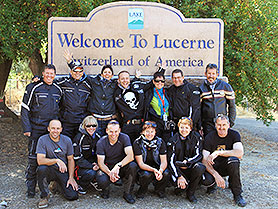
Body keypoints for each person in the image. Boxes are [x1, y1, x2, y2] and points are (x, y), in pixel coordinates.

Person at [21, 64, 62, 198]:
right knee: (33, 159)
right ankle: (30, 188)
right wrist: (27, 128)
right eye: (47, 73)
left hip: (52, 132)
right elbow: (25, 108)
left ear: (55, 75)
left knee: (52, 158)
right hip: (36, 129)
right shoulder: (34, 87)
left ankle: (49, 186)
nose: (49, 76)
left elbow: (61, 109)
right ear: (43, 74)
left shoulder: (58, 89)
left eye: (52, 74)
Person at [64, 50, 117, 137]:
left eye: (109, 72)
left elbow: (125, 83)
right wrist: (70, 62)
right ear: (102, 74)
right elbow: (80, 74)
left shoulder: (115, 85)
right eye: (105, 72)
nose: (107, 74)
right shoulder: (94, 82)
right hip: (96, 120)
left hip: (109, 120)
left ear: (112, 75)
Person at [202, 114, 247, 207]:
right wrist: (215, 175)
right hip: (213, 167)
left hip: (227, 166)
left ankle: (237, 195)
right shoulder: (209, 137)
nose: (221, 127)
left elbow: (239, 153)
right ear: (215, 125)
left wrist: (218, 153)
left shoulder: (234, 134)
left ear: (228, 125)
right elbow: (204, 160)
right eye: (219, 125)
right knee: (206, 180)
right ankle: (212, 184)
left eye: (224, 125)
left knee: (234, 161)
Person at [36, 120, 78, 208]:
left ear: (61, 129)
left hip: (62, 170)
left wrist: (71, 177)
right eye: (53, 128)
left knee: (72, 196)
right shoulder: (42, 140)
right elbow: (40, 160)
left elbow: (70, 159)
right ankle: (44, 196)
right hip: (49, 169)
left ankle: (57, 185)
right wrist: (56, 160)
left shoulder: (67, 140)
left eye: (58, 128)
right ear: (48, 129)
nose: (55, 131)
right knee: (41, 169)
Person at [168, 117, 211, 203]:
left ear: (190, 129)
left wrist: (187, 162)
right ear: (178, 127)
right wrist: (179, 176)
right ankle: (180, 187)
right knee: (179, 185)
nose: (184, 130)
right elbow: (170, 161)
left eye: (187, 128)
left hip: (191, 166)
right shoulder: (173, 140)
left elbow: (198, 155)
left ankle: (191, 192)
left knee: (201, 168)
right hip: (178, 169)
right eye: (182, 127)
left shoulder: (196, 137)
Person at [96, 120, 137, 204]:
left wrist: (118, 166)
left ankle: (127, 193)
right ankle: (105, 190)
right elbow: (101, 163)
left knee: (133, 166)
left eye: (116, 131)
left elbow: (130, 156)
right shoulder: (101, 142)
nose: (113, 134)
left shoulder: (125, 138)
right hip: (108, 167)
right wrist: (110, 173)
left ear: (119, 130)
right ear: (107, 131)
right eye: (111, 131)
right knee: (101, 177)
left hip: (121, 166)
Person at [56, 54, 92, 139]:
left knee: (78, 144)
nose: (77, 73)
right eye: (75, 71)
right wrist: (38, 79)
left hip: (81, 121)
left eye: (80, 71)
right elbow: (50, 80)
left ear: (82, 73)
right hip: (66, 121)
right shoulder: (64, 82)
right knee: (66, 142)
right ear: (71, 72)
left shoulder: (87, 85)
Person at [133, 121, 170, 199]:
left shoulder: (160, 142)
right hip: (143, 167)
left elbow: (164, 161)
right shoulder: (137, 143)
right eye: (147, 131)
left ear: (155, 132)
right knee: (146, 174)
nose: (150, 134)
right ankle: (142, 189)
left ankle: (159, 189)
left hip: (156, 165)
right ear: (142, 132)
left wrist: (160, 170)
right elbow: (141, 163)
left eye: (152, 132)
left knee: (166, 173)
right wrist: (153, 170)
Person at [199, 63, 236, 136]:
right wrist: (200, 125)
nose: (211, 76)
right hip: (208, 124)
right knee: (209, 144)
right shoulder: (201, 88)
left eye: (213, 73)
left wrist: (230, 122)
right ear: (205, 74)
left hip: (222, 123)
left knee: (222, 145)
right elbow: (199, 109)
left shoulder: (225, 86)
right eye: (209, 73)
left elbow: (232, 106)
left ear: (217, 74)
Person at [114, 70, 146, 143]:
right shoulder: (116, 92)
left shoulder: (135, 89)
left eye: (127, 78)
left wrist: (136, 78)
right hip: (127, 126)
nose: (125, 81)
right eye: (122, 79)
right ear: (118, 80)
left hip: (141, 125)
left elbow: (152, 84)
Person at [72, 115, 101, 194]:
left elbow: (101, 153)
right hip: (81, 166)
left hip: (94, 163)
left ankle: (96, 182)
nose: (91, 128)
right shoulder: (79, 138)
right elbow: (77, 158)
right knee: (91, 173)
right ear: (84, 126)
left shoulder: (98, 137)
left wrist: (98, 164)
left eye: (94, 125)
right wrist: (91, 166)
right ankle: (82, 185)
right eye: (88, 126)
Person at [144, 69, 173, 143]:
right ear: (153, 82)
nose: (160, 83)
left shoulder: (167, 92)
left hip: (166, 122)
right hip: (155, 121)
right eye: (157, 81)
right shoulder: (149, 92)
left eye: (162, 81)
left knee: (167, 143)